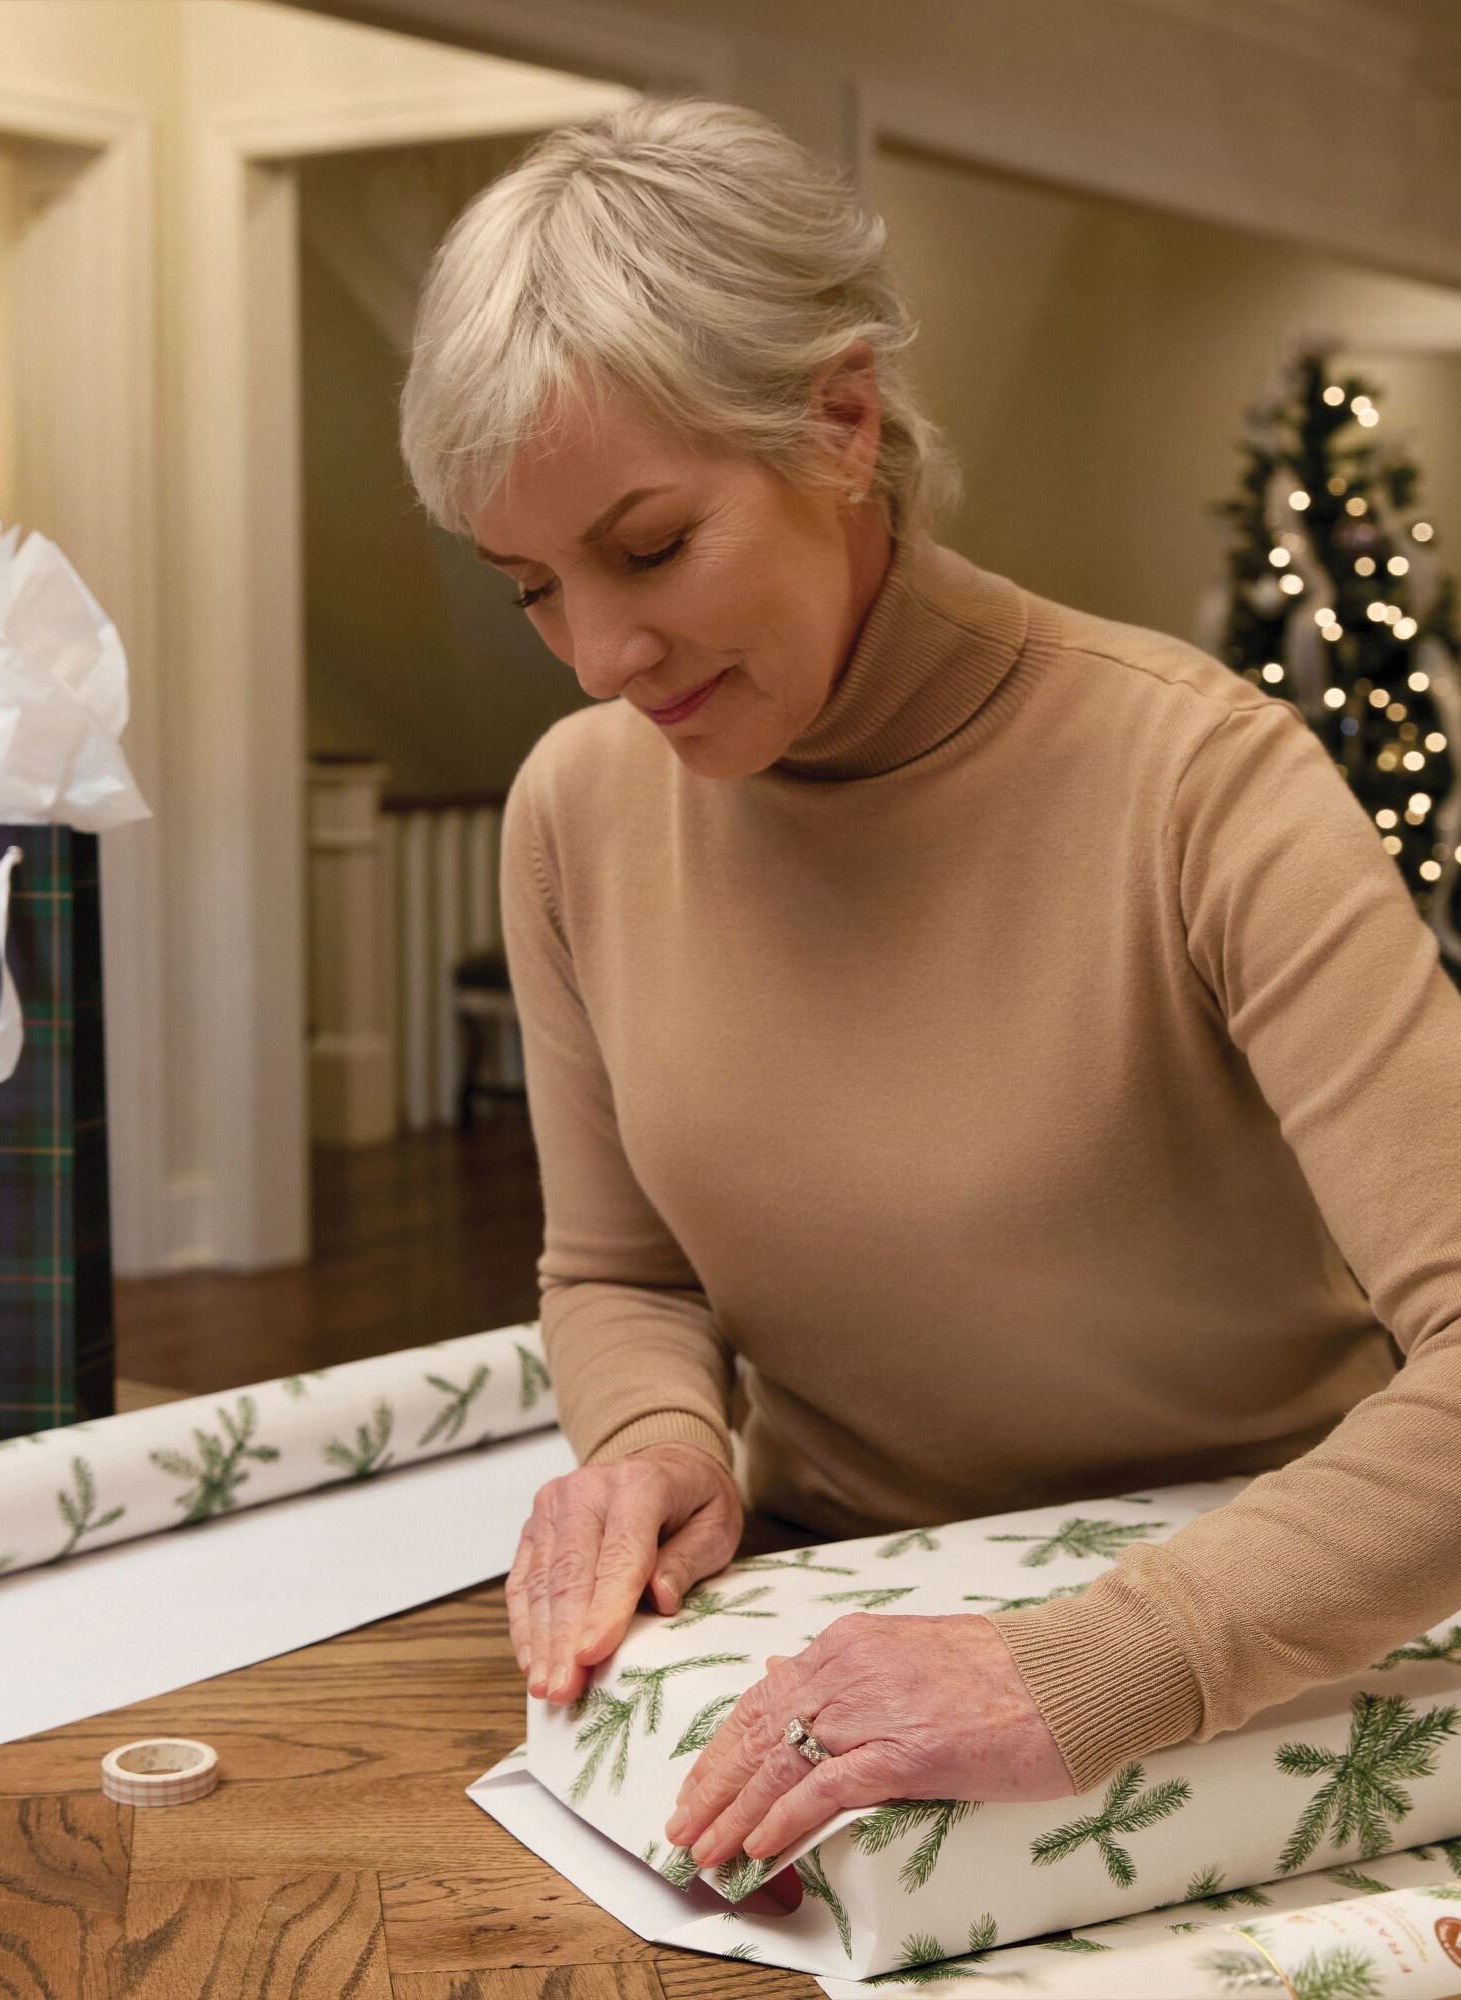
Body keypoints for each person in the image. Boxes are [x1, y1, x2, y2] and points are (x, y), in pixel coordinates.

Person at [397, 98, 1461, 1881]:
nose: (600, 656)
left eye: (650, 550)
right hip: (820, 1663)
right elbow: (620, 1269)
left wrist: (1100, 1662)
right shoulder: (576, 812)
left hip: (1248, 1652)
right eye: (533, 587)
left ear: (839, 421)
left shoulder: (1204, 783)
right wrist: (657, 1440)